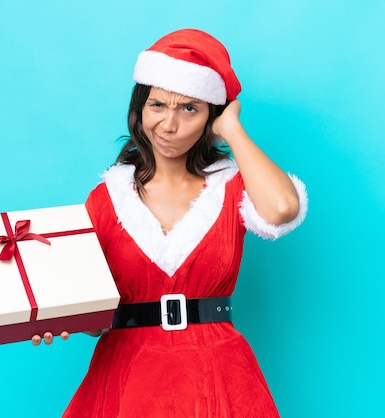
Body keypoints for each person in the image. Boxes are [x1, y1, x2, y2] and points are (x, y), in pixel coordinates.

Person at [33, 28, 308, 417]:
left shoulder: (233, 189)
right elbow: (95, 319)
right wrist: (59, 319)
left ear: (211, 115)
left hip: (216, 371)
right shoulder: (107, 199)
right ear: (139, 107)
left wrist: (232, 129)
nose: (168, 125)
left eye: (190, 109)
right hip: (127, 373)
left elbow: (282, 208)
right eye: (157, 105)